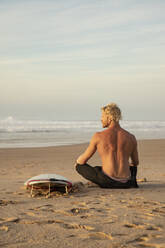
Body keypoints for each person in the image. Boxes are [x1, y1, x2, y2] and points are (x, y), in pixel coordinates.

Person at [75, 103, 139, 188]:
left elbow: (82, 161)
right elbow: (135, 163)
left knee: (79, 166)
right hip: (127, 182)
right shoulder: (131, 137)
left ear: (109, 118)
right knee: (131, 167)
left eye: (102, 116)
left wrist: (77, 161)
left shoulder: (98, 136)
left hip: (107, 182)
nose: (101, 119)